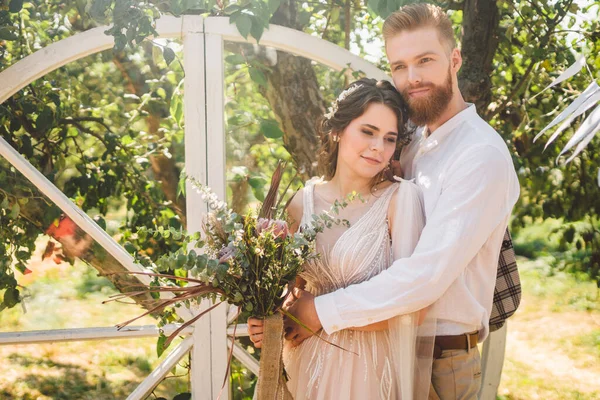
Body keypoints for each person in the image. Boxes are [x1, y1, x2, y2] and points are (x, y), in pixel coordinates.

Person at [272, 4, 521, 400]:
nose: (413, 77)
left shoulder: (479, 154)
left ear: (454, 59)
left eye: (425, 60)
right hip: (368, 351)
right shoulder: (411, 143)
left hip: (441, 363)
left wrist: (318, 312)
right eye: (400, 66)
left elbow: (425, 275)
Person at [249, 77, 432, 399]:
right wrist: (267, 318)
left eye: (389, 138)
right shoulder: (300, 203)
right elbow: (292, 291)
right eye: (368, 131)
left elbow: (411, 307)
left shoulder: (400, 200)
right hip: (304, 363)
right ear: (337, 130)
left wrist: (319, 315)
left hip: (368, 370)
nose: (379, 147)